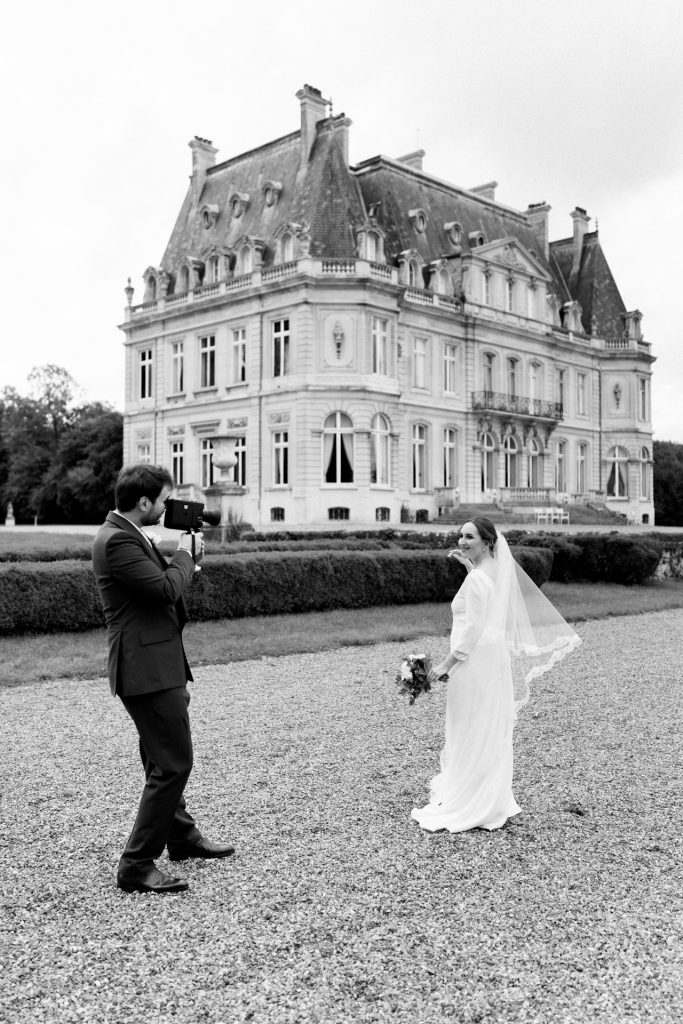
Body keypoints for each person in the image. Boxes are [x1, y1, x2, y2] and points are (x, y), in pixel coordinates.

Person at [92, 463, 234, 894]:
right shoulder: (117, 541)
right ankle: (136, 864)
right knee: (174, 763)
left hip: (155, 663)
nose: (166, 508)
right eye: (163, 500)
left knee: (160, 758)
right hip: (145, 669)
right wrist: (185, 556)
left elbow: (159, 587)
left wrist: (185, 563)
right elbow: (165, 591)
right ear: (143, 502)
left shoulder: (126, 533)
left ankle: (181, 837)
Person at [411, 517, 580, 834]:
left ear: (487, 542)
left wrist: (446, 664)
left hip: (472, 659)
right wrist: (469, 567)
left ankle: (472, 798)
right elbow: (485, 598)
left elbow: (473, 627)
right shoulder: (492, 571)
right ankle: (488, 795)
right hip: (491, 656)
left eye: (469, 537)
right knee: (485, 722)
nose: (461, 541)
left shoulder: (479, 578)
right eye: (460, 536)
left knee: (470, 723)